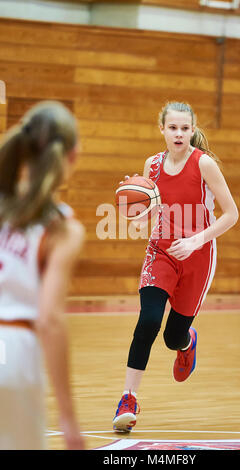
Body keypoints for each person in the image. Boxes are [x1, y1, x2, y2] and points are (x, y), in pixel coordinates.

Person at [113, 101, 239, 432]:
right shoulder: (151, 166)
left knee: (172, 336)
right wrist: (134, 209)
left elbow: (231, 214)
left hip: (198, 256)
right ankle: (128, 397)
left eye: (185, 128)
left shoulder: (205, 164)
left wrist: (197, 241)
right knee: (149, 320)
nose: (179, 133)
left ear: (193, 130)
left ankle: (186, 343)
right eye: (173, 128)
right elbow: (147, 221)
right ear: (162, 130)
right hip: (162, 251)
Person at [0, 101, 85, 450]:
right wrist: (68, 416)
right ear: (73, 156)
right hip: (14, 352)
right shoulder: (61, 228)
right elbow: (49, 320)